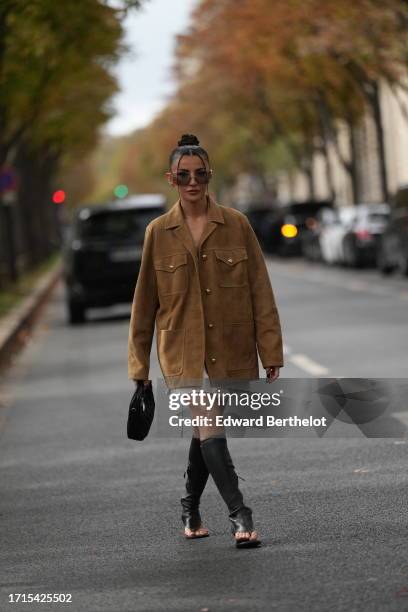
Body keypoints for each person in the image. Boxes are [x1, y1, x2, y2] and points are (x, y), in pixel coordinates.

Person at [128, 134, 284, 548]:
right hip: (182, 351)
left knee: (206, 431)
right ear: (171, 179)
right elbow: (144, 306)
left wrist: (270, 350)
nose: (193, 183)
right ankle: (240, 513)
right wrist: (139, 369)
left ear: (210, 176)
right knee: (210, 423)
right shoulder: (158, 233)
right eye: (184, 176)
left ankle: (190, 506)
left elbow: (260, 291)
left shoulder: (236, 224)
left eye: (200, 175)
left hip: (230, 346)